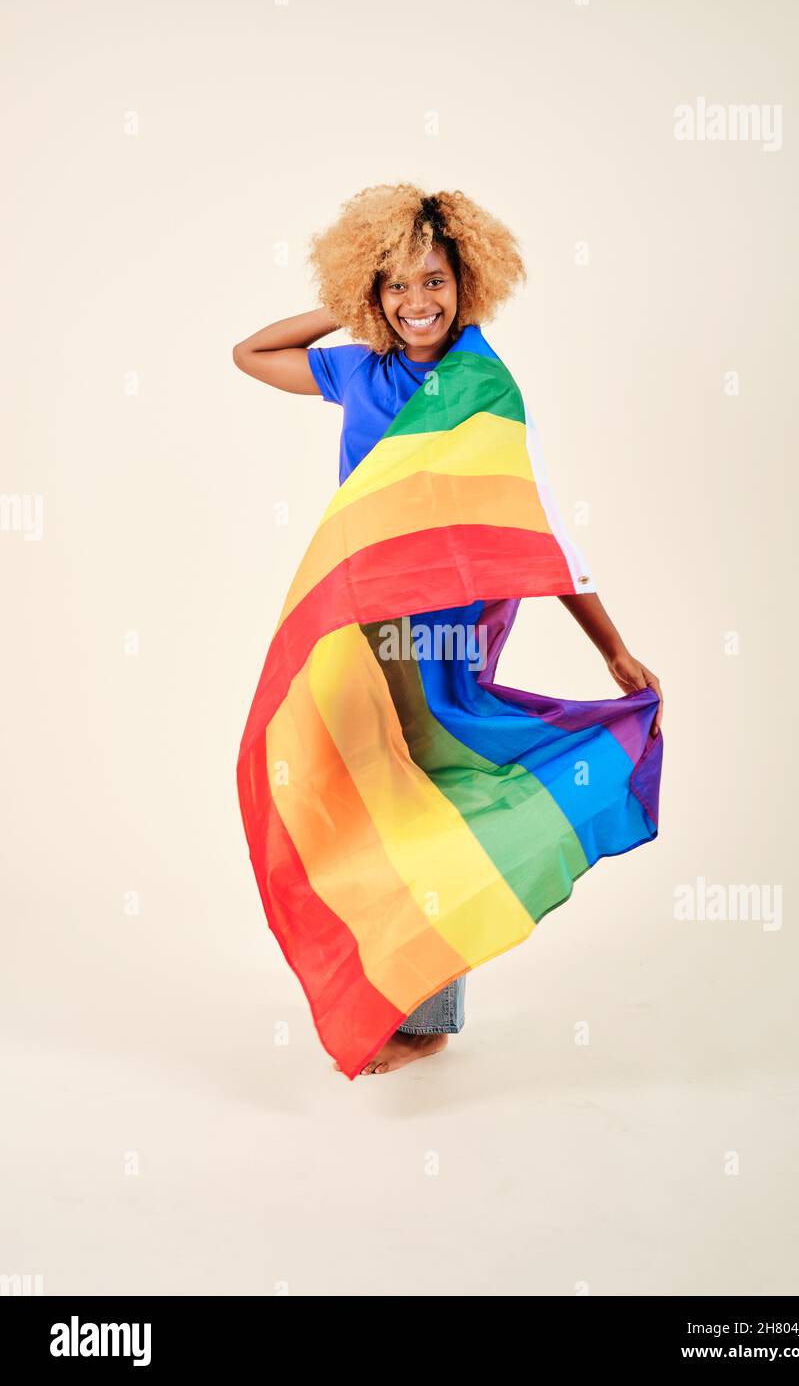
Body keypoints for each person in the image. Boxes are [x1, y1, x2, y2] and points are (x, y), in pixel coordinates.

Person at [233, 184, 663, 1076]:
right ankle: (381, 989)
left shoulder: (482, 383)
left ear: (466, 280)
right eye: (393, 285)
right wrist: (351, 303)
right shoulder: (358, 368)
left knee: (433, 793)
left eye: (433, 280)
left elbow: (533, 524)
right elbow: (249, 352)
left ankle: (424, 1015)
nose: (416, 302)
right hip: (357, 622)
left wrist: (611, 646)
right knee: (349, 789)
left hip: (443, 636)